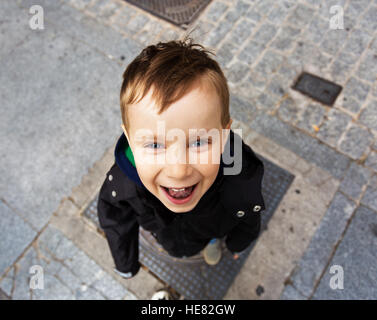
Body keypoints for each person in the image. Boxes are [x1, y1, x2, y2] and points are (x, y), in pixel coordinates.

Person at [97, 35, 266, 281]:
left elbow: (249, 209)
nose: (178, 170)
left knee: (210, 234)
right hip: (164, 233)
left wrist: (239, 242)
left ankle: (212, 242)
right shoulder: (122, 182)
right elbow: (115, 221)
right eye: (155, 144)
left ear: (224, 135)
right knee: (170, 241)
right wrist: (126, 263)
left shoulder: (239, 168)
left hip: (212, 229)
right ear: (131, 140)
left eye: (198, 142)